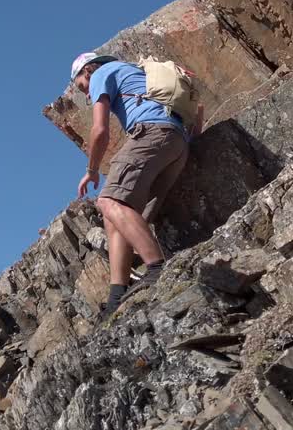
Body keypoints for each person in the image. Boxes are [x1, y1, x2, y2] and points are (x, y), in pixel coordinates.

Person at [69, 52, 202, 318]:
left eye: (82, 87)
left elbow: (100, 131)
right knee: (116, 215)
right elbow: (196, 109)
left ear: (88, 71)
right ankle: (117, 295)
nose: (86, 94)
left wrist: (92, 170)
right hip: (177, 142)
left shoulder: (101, 75)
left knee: (108, 201)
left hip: (150, 133)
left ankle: (157, 269)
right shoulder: (134, 72)